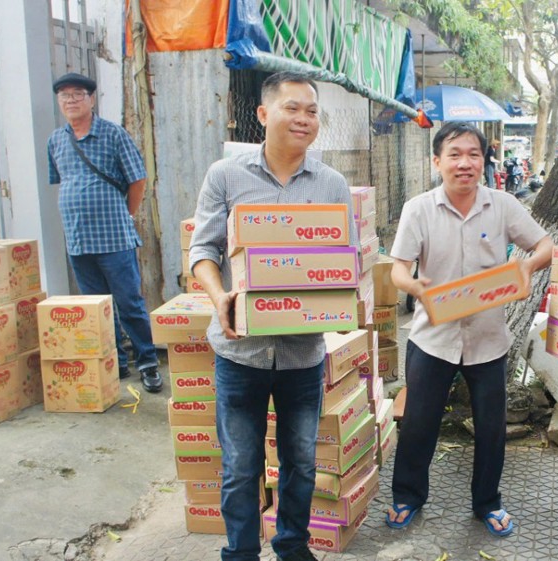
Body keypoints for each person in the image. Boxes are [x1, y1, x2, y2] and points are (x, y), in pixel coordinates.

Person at [189, 72, 355, 561]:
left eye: (312, 111)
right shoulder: (225, 175)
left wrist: (342, 299)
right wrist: (219, 297)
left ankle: (292, 546)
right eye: (292, 108)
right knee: (241, 465)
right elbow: (202, 250)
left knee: (301, 463)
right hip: (239, 351)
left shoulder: (331, 184)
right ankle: (241, 552)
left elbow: (343, 261)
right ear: (263, 114)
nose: (304, 119)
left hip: (302, 354)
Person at [385, 122, 553, 537]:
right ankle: (407, 496)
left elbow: (545, 245)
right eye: (455, 154)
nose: (465, 163)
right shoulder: (419, 208)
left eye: (473, 154)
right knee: (419, 423)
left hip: (487, 340)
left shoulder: (503, 205)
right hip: (432, 337)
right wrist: (415, 287)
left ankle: (487, 503)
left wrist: (528, 266)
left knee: (491, 428)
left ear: (483, 160)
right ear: (437, 161)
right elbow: (398, 269)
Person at [47, 72, 161, 393]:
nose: (71, 100)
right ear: (59, 102)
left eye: (78, 94)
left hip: (114, 237)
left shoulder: (112, 134)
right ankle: (115, 362)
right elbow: (63, 180)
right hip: (78, 239)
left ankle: (148, 362)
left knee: (129, 303)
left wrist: (127, 214)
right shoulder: (55, 140)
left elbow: (138, 179)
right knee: (97, 307)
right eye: (65, 95)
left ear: (91, 99)